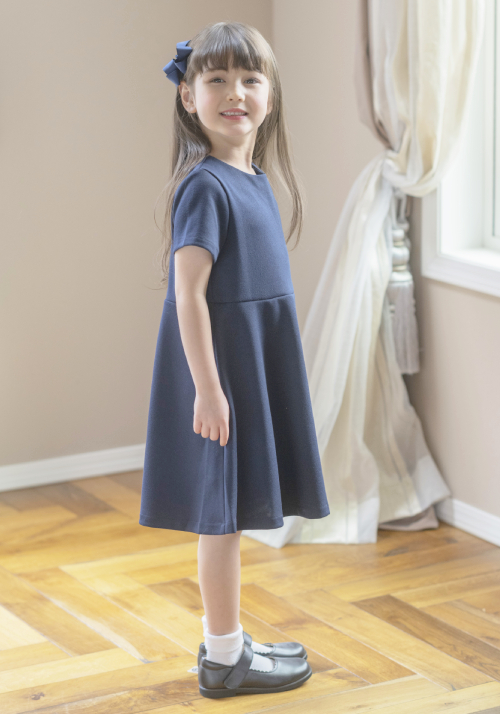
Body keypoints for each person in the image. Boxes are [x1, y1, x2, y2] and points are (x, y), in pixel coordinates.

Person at [139, 21, 330, 699]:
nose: (235, 93)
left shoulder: (254, 179)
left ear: (269, 96)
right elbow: (187, 294)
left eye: (250, 79)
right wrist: (209, 389)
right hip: (222, 372)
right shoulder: (205, 187)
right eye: (216, 79)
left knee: (238, 507)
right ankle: (223, 657)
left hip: (252, 362)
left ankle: (232, 639)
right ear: (188, 96)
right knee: (222, 514)